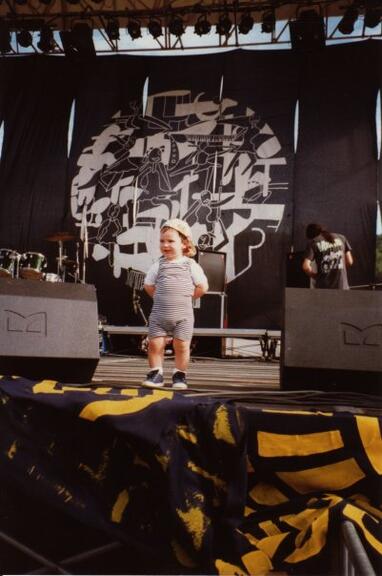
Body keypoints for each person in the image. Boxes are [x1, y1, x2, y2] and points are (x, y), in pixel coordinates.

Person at [142, 219, 209, 390]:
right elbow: (148, 285)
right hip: (159, 315)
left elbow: (203, 286)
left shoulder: (190, 265)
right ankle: (156, 373)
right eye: (162, 241)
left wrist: (189, 296)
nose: (165, 245)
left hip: (183, 316)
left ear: (184, 243)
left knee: (182, 346)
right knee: (155, 344)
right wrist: (158, 296)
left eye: (171, 241)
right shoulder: (158, 264)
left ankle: (180, 374)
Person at [302, 222, 353, 289]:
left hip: (324, 288)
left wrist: (315, 276)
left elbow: (305, 267)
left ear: (311, 235)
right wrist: (337, 267)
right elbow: (350, 261)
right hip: (342, 286)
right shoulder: (341, 238)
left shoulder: (313, 242)